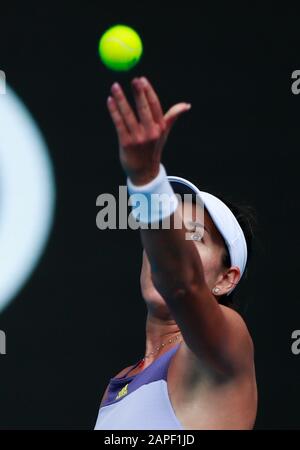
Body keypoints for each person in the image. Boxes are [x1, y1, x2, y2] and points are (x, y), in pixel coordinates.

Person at [94, 76, 257, 430]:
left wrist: (145, 178)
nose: (171, 246)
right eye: (168, 234)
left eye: (193, 237)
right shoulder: (122, 381)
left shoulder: (227, 343)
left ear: (226, 279)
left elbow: (181, 285)